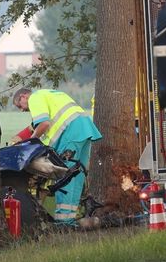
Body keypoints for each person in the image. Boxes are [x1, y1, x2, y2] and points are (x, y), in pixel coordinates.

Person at [10, 87, 102, 225]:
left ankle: (63, 222)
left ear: (24, 96)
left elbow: (44, 123)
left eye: (19, 105)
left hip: (71, 132)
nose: (22, 110)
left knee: (64, 177)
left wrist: (31, 141)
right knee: (76, 176)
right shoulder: (49, 94)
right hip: (83, 129)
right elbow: (38, 126)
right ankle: (70, 218)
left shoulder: (35, 98)